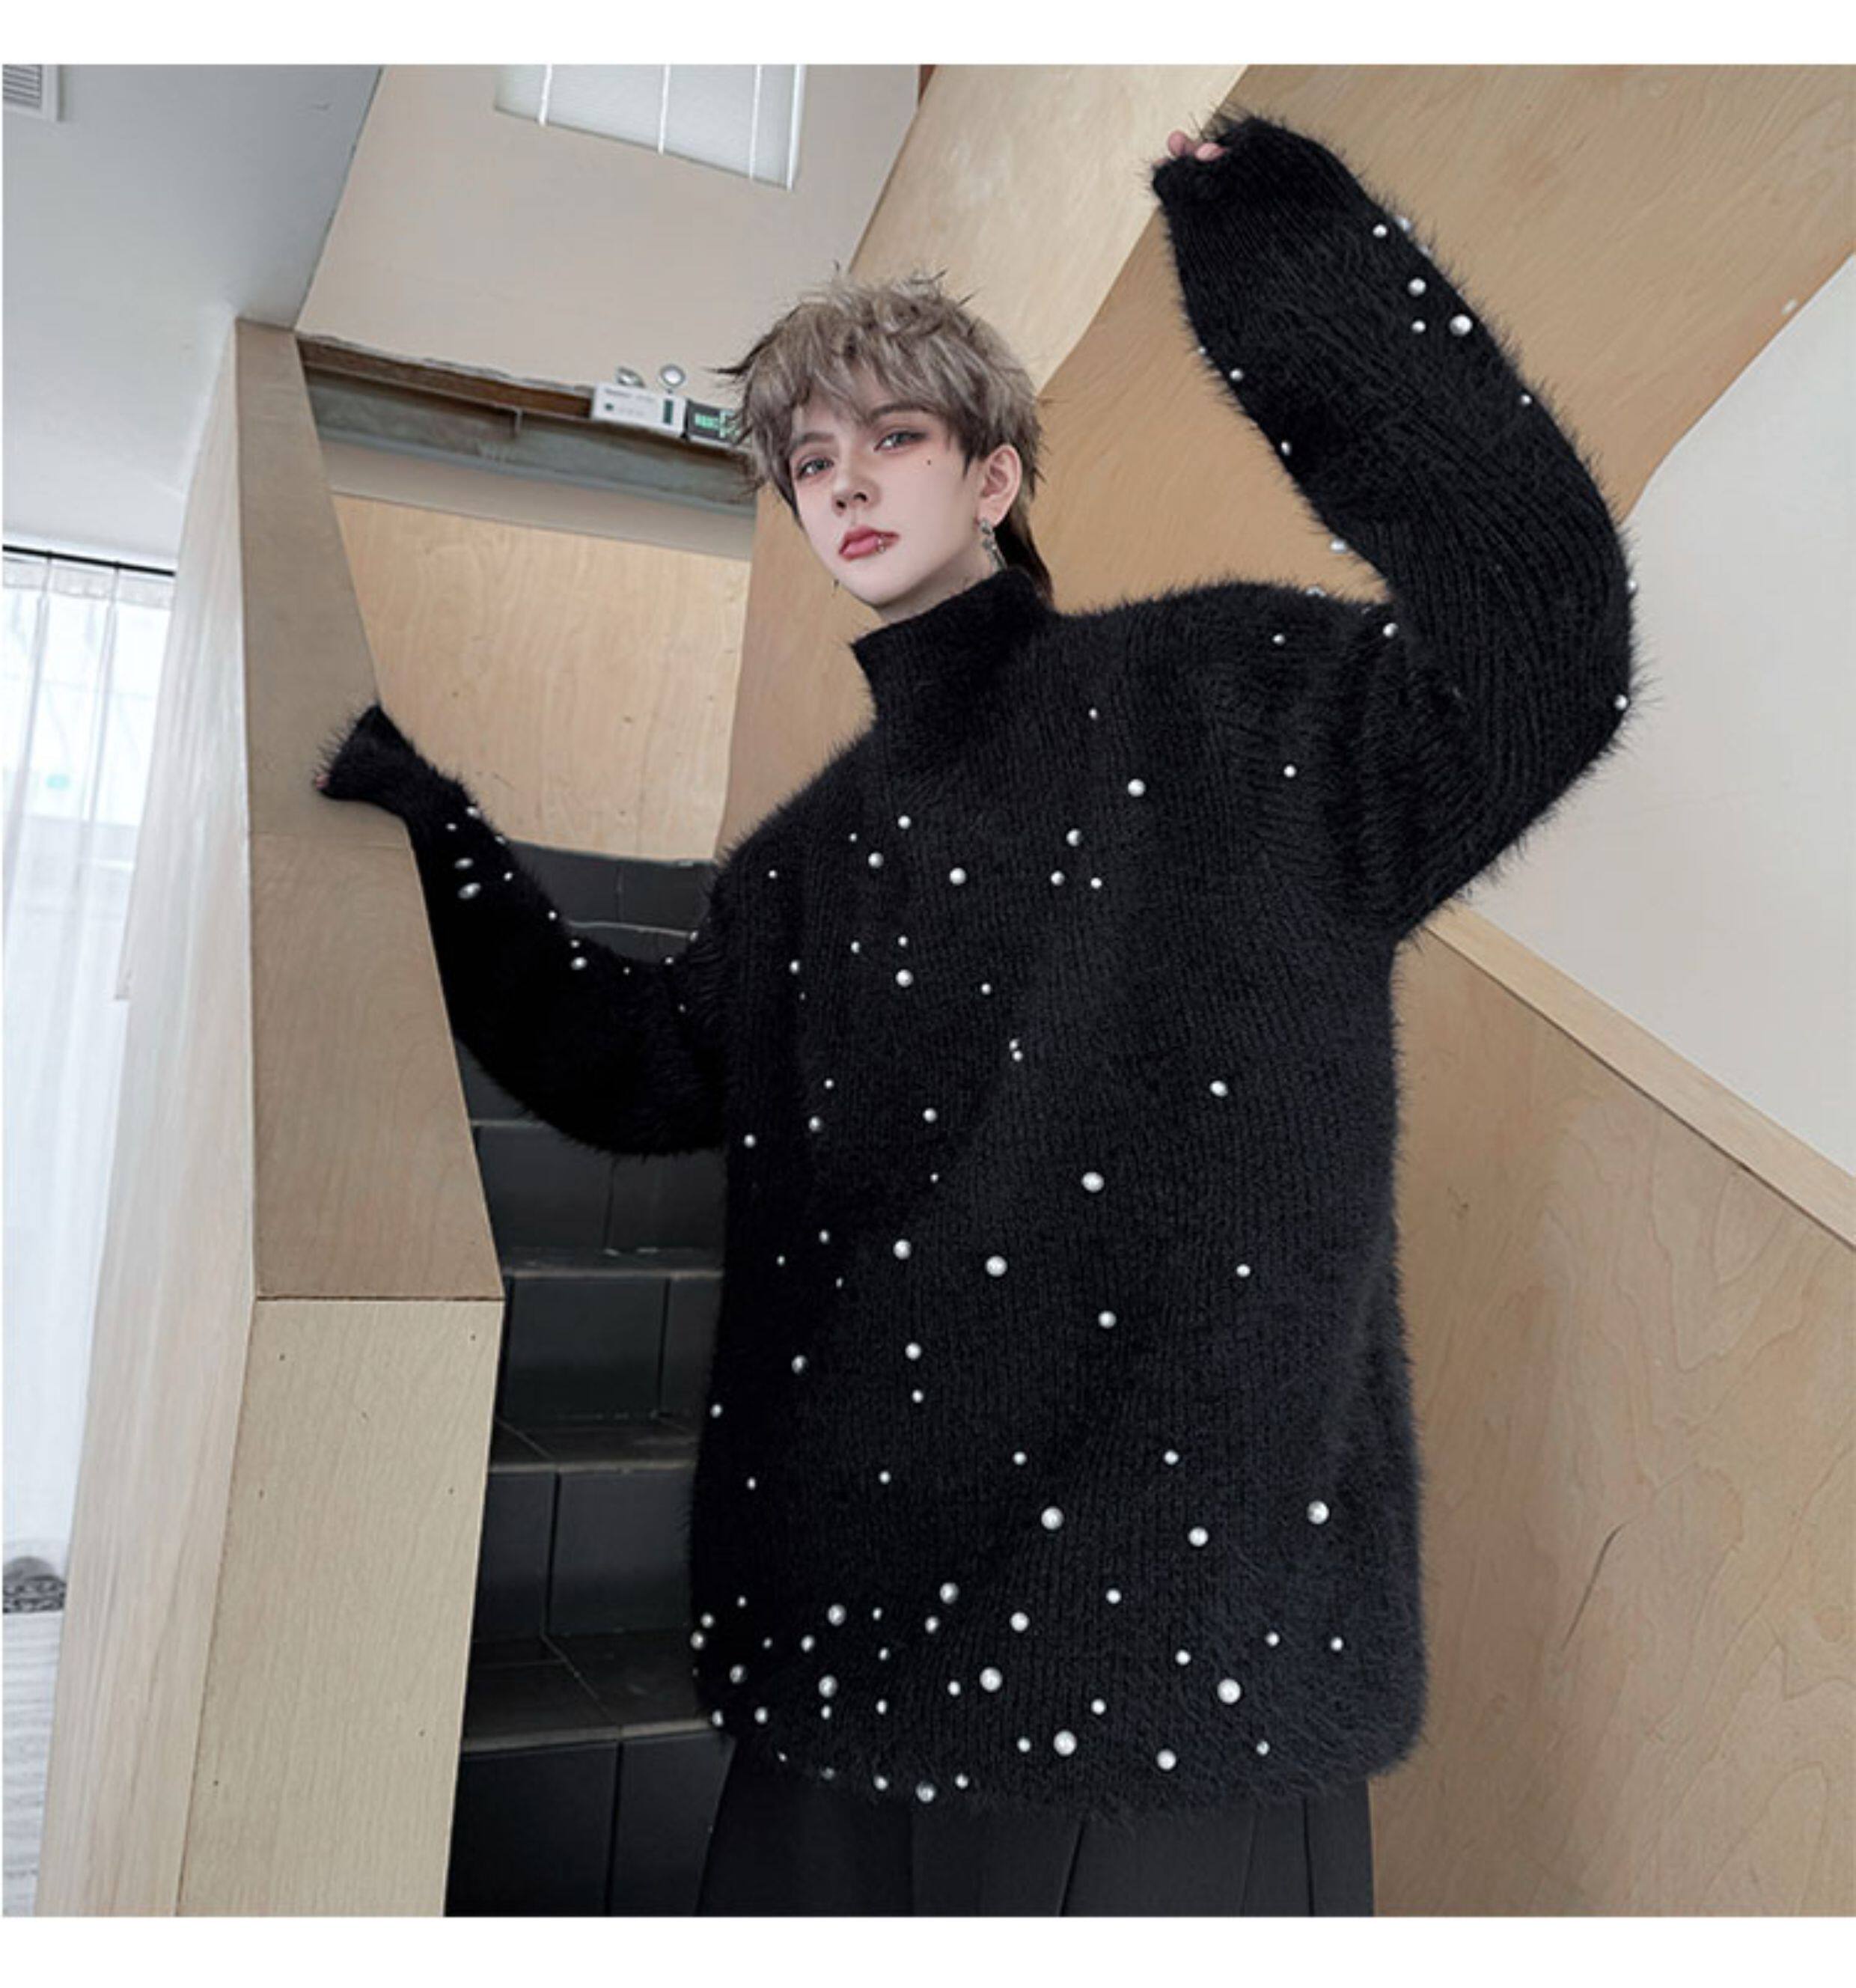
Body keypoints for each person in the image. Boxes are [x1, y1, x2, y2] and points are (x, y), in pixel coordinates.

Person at [314, 109, 1640, 1915]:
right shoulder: (802, 863)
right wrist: (435, 836)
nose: (844, 480)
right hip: (843, 1675)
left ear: (996, 474)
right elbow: (629, 1069)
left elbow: (1537, 654)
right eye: (807, 460)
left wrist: (1283, 253)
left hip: (1177, 1695)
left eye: (896, 437)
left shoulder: (1229, 698)